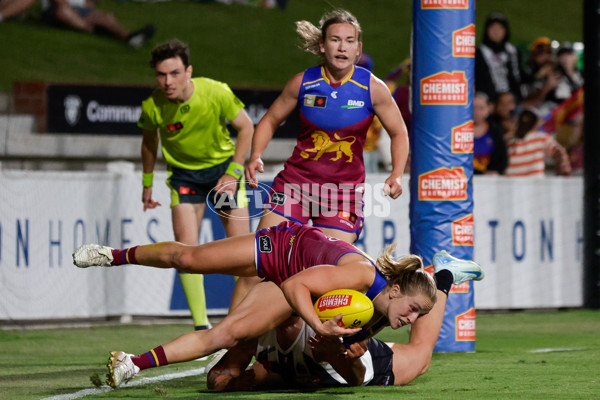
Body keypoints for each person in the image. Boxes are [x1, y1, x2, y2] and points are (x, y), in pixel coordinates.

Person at [72, 220, 484, 388]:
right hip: (282, 250)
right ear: (393, 289)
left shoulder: (379, 312)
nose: (410, 319)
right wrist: (321, 328)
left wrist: (344, 348)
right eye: (413, 310)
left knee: (228, 335)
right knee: (190, 258)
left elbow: (352, 363)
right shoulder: (362, 278)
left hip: (295, 290)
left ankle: (132, 363)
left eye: (418, 316)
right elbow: (295, 288)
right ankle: (113, 254)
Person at [245, 9, 409, 245]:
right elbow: (270, 120)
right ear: (323, 45)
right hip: (295, 187)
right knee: (261, 263)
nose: (342, 47)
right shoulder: (303, 82)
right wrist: (256, 156)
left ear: (358, 49)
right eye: (335, 40)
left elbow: (399, 132)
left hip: (343, 196)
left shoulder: (373, 88)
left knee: (328, 271)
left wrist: (397, 174)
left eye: (349, 41)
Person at [208, 247, 464, 391]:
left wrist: (335, 355)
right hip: (303, 373)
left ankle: (444, 277)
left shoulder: (333, 319)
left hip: (350, 368)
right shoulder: (259, 326)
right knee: (267, 374)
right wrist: (235, 383)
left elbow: (355, 378)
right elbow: (218, 377)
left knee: (421, 358)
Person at [137, 39, 254, 330]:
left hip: (222, 177)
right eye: (161, 75)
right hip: (186, 179)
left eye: (174, 73)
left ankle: (239, 326)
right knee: (186, 254)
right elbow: (149, 144)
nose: (167, 81)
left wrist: (233, 172)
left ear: (189, 71)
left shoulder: (215, 91)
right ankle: (202, 328)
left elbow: (247, 127)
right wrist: (148, 183)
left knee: (244, 255)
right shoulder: (153, 106)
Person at [41, 0, 156, 49]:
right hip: (56, 8)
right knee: (65, 13)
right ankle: (94, 29)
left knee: (106, 17)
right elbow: (60, 4)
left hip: (81, 8)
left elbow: (91, 3)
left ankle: (130, 36)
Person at [505, 109, 572, 177]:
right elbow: (560, 152)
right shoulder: (541, 138)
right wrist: (564, 171)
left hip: (511, 184)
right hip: (535, 184)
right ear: (536, 124)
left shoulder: (508, 139)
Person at [475, 12, 522, 103]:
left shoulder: (512, 51)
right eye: (492, 27)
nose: (496, 31)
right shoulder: (479, 52)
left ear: (505, 31)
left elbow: (516, 77)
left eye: (500, 28)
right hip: (488, 100)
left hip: (510, 99)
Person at [473, 92, 508, 175]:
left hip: (489, 179)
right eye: (473, 108)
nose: (476, 112)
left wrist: (493, 172)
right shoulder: (459, 130)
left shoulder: (495, 131)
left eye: (481, 108)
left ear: (488, 109)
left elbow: (502, 158)